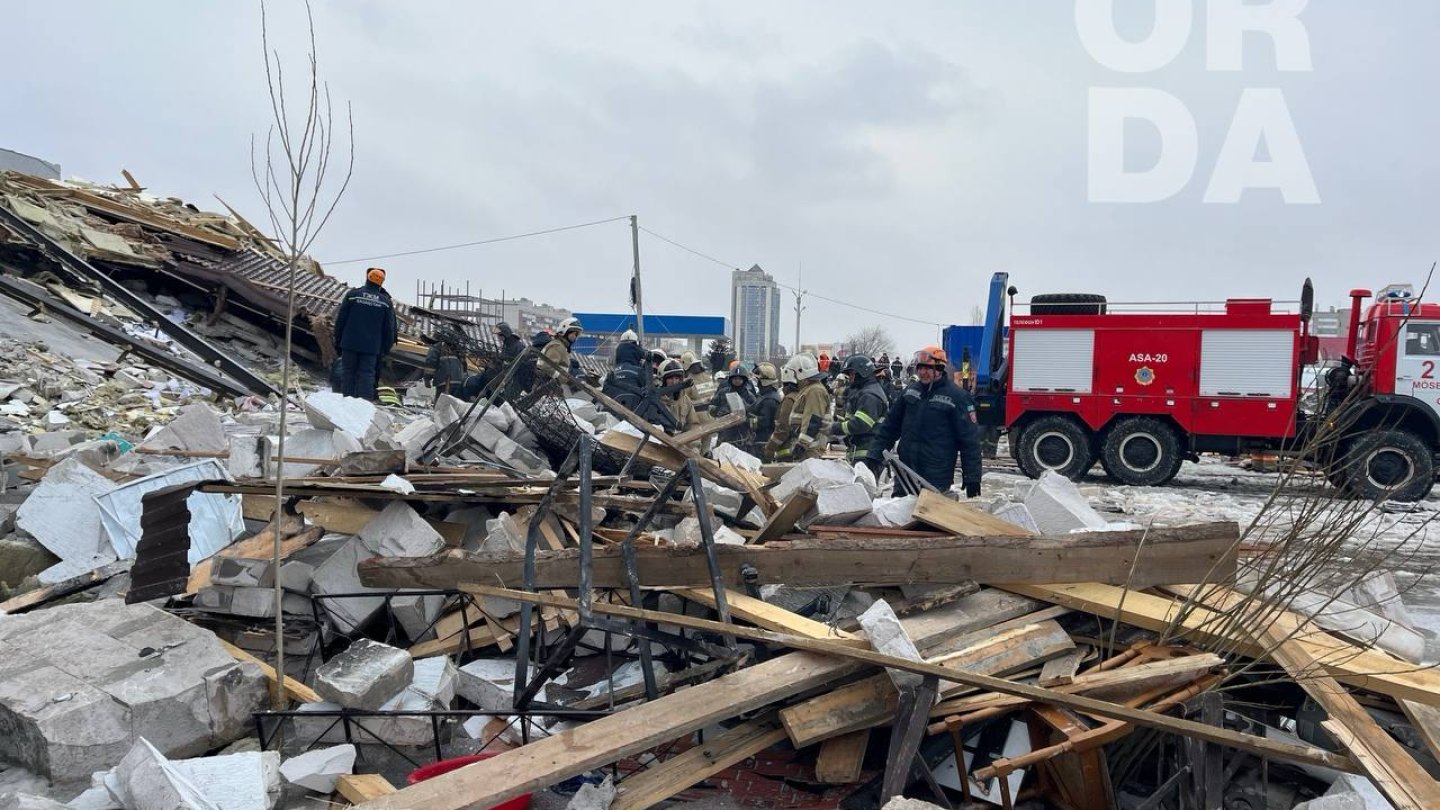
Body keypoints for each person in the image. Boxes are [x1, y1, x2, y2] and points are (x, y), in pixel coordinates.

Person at [865, 346, 982, 497]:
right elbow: (890, 427)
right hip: (906, 473)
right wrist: (875, 454)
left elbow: (970, 441)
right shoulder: (910, 392)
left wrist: (972, 477)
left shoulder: (957, 397)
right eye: (919, 368)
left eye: (927, 368)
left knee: (927, 519)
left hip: (936, 476)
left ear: (939, 369)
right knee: (900, 516)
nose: (922, 372)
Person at [334, 267, 397, 400]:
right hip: (371, 348)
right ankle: (364, 407)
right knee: (367, 375)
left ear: (367, 278)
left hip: (349, 343)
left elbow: (341, 320)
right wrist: (385, 349)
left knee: (348, 374)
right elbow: (389, 329)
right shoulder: (385, 302)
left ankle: (347, 403)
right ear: (381, 283)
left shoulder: (353, 295)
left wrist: (338, 340)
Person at [829, 355, 889, 463]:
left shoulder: (869, 395)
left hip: (867, 456)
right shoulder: (865, 391)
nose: (850, 378)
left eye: (851, 374)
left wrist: (833, 428)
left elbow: (861, 424)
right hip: (863, 453)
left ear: (862, 373)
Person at [783, 353, 832, 461]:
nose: (793, 377)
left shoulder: (814, 391)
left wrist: (802, 445)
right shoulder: (808, 389)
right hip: (809, 447)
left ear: (800, 372)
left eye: (794, 373)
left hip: (811, 449)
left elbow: (813, 420)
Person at [711, 362, 757, 447]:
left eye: (740, 379)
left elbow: (755, 418)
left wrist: (745, 414)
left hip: (742, 436)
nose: (737, 381)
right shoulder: (723, 392)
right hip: (724, 434)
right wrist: (719, 412)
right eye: (735, 379)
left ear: (744, 380)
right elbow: (712, 407)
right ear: (731, 379)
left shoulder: (749, 396)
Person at [764, 365, 801, 462]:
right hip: (798, 449)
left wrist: (770, 447)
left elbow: (783, 428)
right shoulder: (800, 397)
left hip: (787, 451)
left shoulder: (789, 399)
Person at [659, 359, 701, 437]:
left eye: (677, 378)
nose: (674, 382)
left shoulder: (685, 401)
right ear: (663, 380)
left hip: (681, 444)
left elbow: (693, 426)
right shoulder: (656, 401)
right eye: (670, 378)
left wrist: (695, 447)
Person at [541, 317, 583, 391]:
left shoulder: (561, 347)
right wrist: (567, 381)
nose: (575, 337)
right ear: (565, 331)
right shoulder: (557, 346)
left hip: (549, 388)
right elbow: (547, 367)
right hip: (545, 388)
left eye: (577, 335)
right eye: (574, 334)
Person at [750, 362, 782, 454]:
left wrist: (748, 420)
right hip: (760, 439)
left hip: (763, 441)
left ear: (763, 381)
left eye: (758, 380)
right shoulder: (764, 395)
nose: (757, 382)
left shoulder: (770, 400)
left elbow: (763, 422)